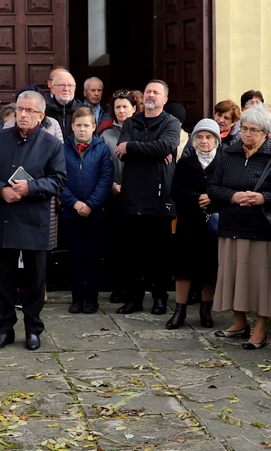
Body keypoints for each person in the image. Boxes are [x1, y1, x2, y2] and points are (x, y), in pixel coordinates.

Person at [0, 89, 66, 350]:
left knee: (35, 280)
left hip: (34, 219)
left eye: (29, 111)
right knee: (4, 279)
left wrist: (31, 188)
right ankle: (4, 328)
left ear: (41, 115)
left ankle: (33, 329)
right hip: (4, 215)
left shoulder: (52, 144)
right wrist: (0, 189)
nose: (23, 115)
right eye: (19, 109)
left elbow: (60, 180)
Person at [207, 106, 271, 349]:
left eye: (253, 130)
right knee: (232, 277)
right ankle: (239, 322)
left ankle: (260, 329)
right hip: (229, 225)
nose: (246, 134)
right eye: (243, 128)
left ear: (265, 132)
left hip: (258, 229)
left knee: (258, 281)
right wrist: (233, 196)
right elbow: (212, 188)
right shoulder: (228, 152)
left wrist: (262, 198)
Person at [114, 78, 183, 315]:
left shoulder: (171, 122)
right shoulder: (131, 121)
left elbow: (166, 146)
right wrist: (151, 149)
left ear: (164, 99)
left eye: (156, 92)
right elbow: (120, 151)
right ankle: (133, 299)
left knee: (160, 255)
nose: (151, 95)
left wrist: (134, 147)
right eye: (147, 91)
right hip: (132, 197)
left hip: (160, 199)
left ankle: (160, 298)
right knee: (132, 255)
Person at [169, 119, 222, 329]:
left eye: (209, 137)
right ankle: (179, 310)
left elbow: (228, 192)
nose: (204, 141)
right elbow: (175, 191)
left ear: (216, 140)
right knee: (184, 267)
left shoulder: (222, 163)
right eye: (199, 137)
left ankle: (205, 309)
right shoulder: (185, 162)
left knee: (210, 267)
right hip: (189, 222)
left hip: (212, 223)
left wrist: (212, 198)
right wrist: (195, 197)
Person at [61, 106, 113, 313]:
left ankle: (91, 297)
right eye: (78, 125)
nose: (82, 130)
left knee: (92, 255)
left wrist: (91, 204)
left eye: (86, 126)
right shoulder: (63, 148)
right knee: (75, 255)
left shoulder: (101, 149)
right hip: (71, 211)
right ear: (72, 126)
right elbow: (59, 178)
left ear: (94, 127)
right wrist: (74, 202)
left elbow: (106, 178)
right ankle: (76, 296)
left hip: (95, 212)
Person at [101, 89, 140, 300]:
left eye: (126, 106)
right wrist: (113, 186)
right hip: (114, 195)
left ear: (134, 109)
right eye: (118, 107)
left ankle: (134, 288)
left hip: (137, 197)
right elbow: (102, 166)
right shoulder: (106, 135)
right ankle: (117, 287)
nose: (122, 110)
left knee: (134, 245)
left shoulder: (141, 133)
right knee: (115, 245)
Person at [45, 68, 82, 137]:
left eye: (70, 85)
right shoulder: (45, 110)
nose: (66, 89)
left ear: (74, 88)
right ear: (53, 89)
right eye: (62, 85)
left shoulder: (82, 111)